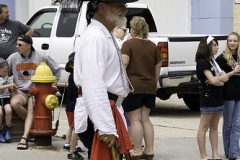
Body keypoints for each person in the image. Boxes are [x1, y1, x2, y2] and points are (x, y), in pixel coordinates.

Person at [74, 0, 138, 159]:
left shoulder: (102, 34)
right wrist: (106, 128)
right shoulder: (96, 37)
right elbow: (93, 84)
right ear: (102, 8)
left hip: (107, 112)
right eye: (119, 4)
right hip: (99, 117)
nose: (125, 8)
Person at [6, 34, 61, 150]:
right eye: (16, 44)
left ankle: (24, 137)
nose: (16, 47)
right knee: (15, 103)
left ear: (28, 46)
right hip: (20, 91)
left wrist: (53, 85)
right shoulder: (13, 58)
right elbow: (4, 73)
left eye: (20, 45)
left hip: (36, 92)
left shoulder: (41, 56)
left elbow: (56, 69)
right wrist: (8, 86)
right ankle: (35, 125)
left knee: (32, 107)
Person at [121, 16, 161, 160]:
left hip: (134, 86)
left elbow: (124, 62)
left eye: (131, 28)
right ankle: (149, 151)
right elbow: (158, 67)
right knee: (145, 119)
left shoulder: (129, 44)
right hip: (150, 86)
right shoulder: (152, 45)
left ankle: (136, 151)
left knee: (135, 120)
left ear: (134, 29)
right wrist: (154, 82)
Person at [195, 36, 229, 160]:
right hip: (208, 97)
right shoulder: (202, 62)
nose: (217, 47)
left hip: (218, 97)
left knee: (214, 126)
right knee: (204, 127)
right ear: (207, 46)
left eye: (217, 45)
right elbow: (212, 80)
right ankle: (203, 154)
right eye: (214, 45)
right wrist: (216, 80)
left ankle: (215, 154)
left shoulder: (213, 61)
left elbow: (223, 79)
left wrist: (216, 80)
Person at [216, 32, 240, 160]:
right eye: (230, 41)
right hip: (228, 94)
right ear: (227, 42)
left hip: (239, 94)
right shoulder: (223, 58)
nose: (232, 43)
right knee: (228, 124)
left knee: (237, 124)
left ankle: (234, 152)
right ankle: (229, 151)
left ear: (238, 42)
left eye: (235, 41)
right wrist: (233, 71)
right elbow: (220, 77)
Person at [63, 52, 85, 160]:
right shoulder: (74, 76)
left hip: (71, 106)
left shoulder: (74, 75)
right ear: (71, 65)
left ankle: (67, 143)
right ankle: (74, 146)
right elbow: (77, 92)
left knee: (72, 126)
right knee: (75, 126)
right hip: (73, 106)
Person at [0, 58, 18, 143]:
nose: (6, 73)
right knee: (0, 113)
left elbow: (8, 87)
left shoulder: (6, 77)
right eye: (4, 71)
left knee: (9, 110)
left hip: (6, 97)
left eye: (7, 71)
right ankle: (0, 131)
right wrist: (9, 85)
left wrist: (13, 89)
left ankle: (7, 131)